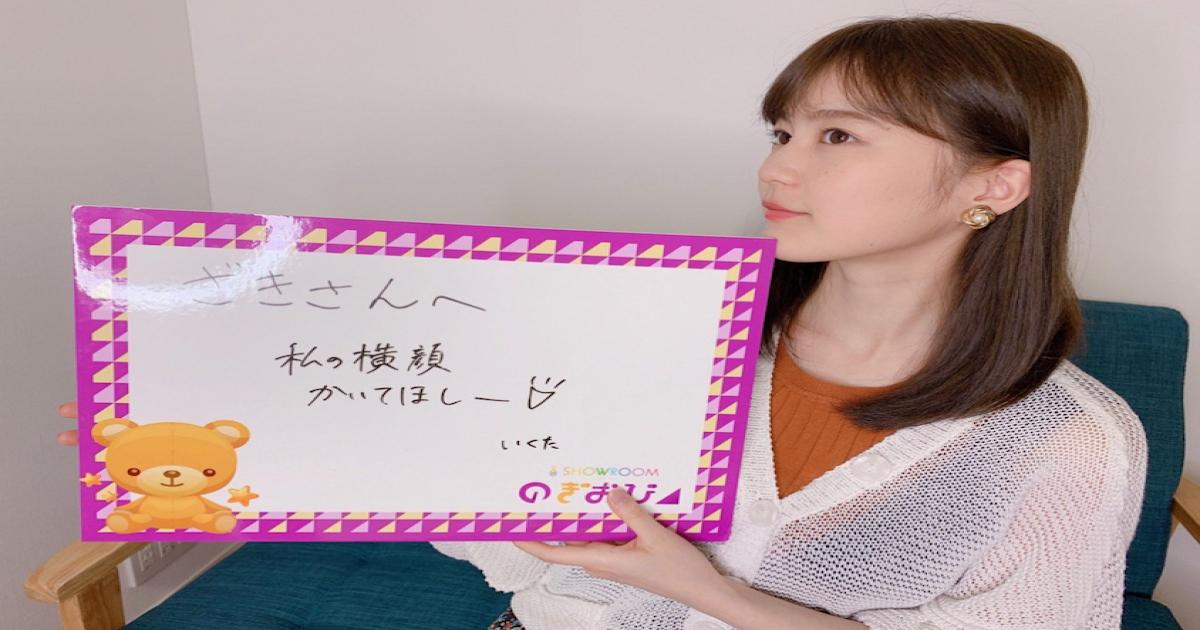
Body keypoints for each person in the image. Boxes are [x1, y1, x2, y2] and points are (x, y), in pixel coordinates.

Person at [56, 14, 1147, 630]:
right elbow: (454, 456)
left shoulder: (1064, 444)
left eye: (838, 137)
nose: (777, 168)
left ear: (995, 185)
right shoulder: (652, 329)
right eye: (781, 131)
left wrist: (699, 589)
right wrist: (207, 432)